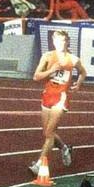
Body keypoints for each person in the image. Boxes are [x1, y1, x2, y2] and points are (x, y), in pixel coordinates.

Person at [30, 29, 86, 175]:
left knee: (49, 132)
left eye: (63, 41)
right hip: (47, 96)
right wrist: (51, 70)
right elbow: (36, 76)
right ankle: (64, 148)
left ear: (67, 42)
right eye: (57, 41)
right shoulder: (47, 56)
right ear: (53, 42)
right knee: (47, 133)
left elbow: (83, 72)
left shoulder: (73, 59)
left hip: (61, 97)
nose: (60, 44)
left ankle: (39, 164)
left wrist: (78, 83)